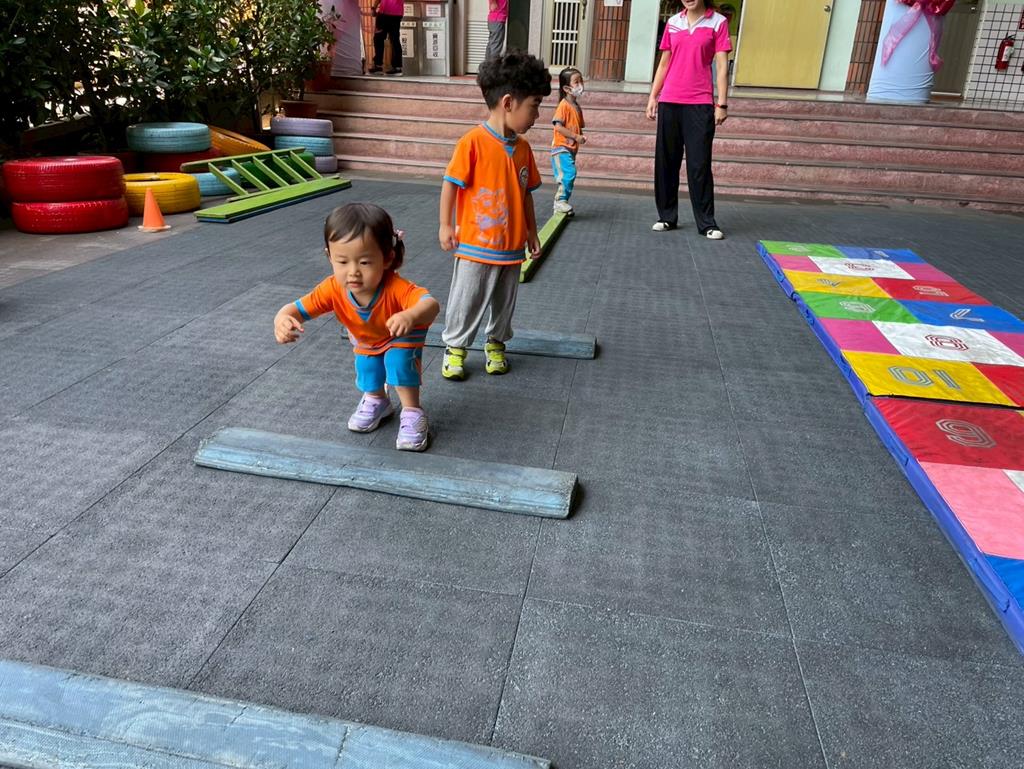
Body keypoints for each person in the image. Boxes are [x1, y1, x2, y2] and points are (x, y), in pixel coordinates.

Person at [273, 203, 440, 451]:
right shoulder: (332, 289)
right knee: (367, 366)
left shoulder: (396, 288)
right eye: (342, 261)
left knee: (397, 361)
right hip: (367, 337)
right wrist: (282, 319)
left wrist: (410, 315)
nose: (353, 272)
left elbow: (431, 304)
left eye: (364, 262)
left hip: (401, 332)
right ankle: (377, 400)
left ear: (387, 258)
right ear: (329, 256)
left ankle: (412, 411)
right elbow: (294, 308)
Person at [437, 51, 550, 380]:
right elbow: (450, 183)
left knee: (505, 302)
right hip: (476, 245)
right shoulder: (472, 143)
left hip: (512, 248)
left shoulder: (524, 149)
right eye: (535, 105)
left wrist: (531, 232)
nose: (538, 115)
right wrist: (445, 225)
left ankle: (496, 344)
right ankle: (455, 348)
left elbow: (525, 194)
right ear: (508, 103)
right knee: (466, 298)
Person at [645, 0, 730, 239]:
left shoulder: (718, 22)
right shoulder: (673, 22)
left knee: (699, 164)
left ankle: (707, 223)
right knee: (666, 162)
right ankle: (666, 217)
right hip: (669, 100)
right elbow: (664, 63)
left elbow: (721, 67)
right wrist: (653, 96)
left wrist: (722, 104)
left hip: (700, 103)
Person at [551, 66, 586, 216]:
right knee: (569, 173)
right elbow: (558, 127)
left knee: (569, 175)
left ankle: (562, 203)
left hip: (570, 149)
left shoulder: (576, 106)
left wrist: (580, 136)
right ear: (567, 88)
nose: (580, 85)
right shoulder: (563, 106)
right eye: (576, 82)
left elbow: (578, 125)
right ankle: (559, 201)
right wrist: (576, 137)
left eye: (581, 81)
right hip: (560, 148)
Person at [368, 0, 404, 75]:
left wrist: (374, 8)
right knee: (380, 39)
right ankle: (379, 65)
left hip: (393, 14)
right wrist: (374, 8)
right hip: (386, 14)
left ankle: (395, 66)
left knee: (392, 39)